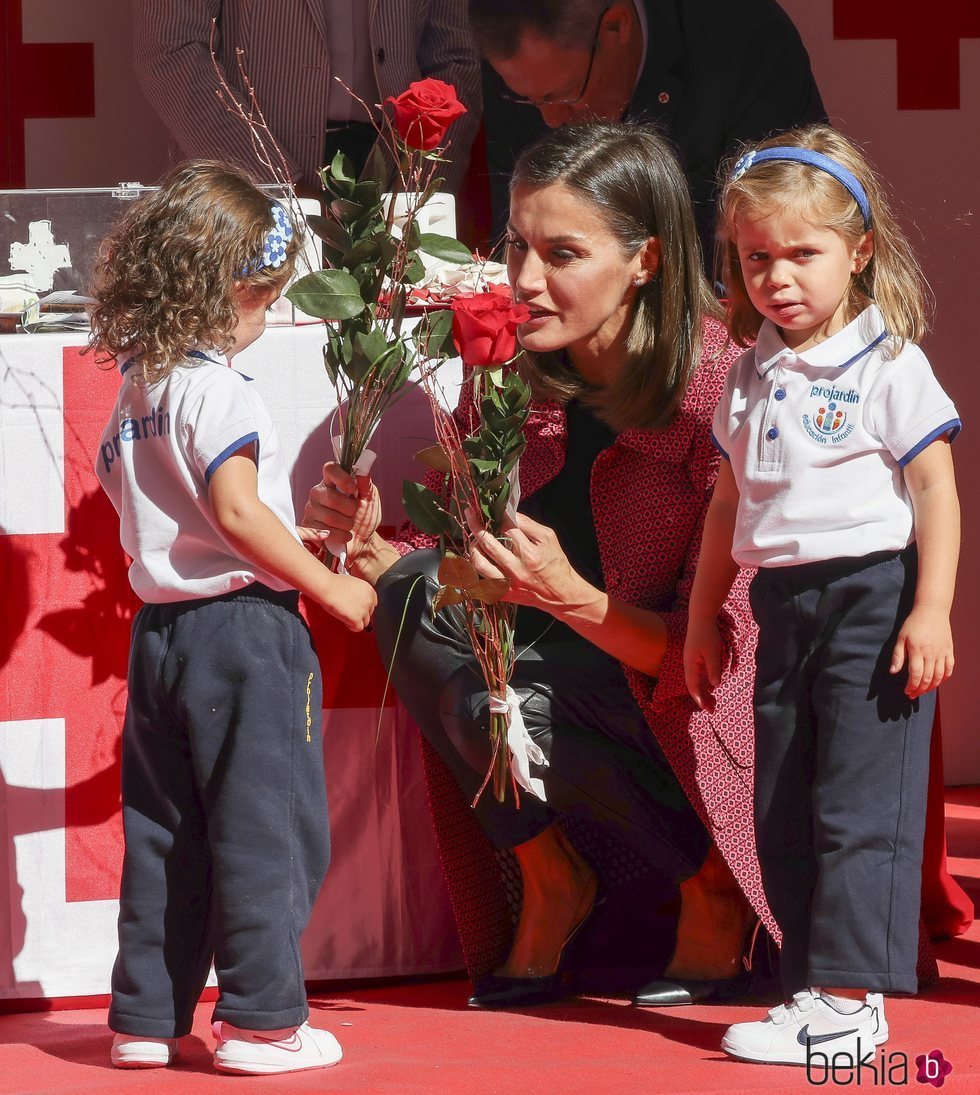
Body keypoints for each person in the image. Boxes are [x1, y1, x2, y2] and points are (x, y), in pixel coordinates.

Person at [305, 120, 770, 1008]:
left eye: (562, 252)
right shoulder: (514, 374)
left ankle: (713, 883)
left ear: (647, 260)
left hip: (693, 724)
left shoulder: (728, 396)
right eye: (516, 244)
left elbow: (734, 671)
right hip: (576, 679)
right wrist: (379, 549)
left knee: (499, 676)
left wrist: (576, 600)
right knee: (408, 596)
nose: (523, 280)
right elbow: (476, 565)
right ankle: (552, 876)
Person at [88, 162, 377, 1075]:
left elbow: (115, 488)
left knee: (164, 829)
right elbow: (241, 510)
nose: (265, 318)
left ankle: (146, 1012)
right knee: (268, 824)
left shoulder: (140, 387)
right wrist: (328, 587)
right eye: (266, 299)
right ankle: (260, 1020)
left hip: (162, 634)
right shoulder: (220, 390)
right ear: (240, 289)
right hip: (246, 630)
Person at [685, 125, 961, 1066]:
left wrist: (931, 609)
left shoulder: (890, 366)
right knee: (783, 799)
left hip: (874, 599)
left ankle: (856, 997)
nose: (780, 277)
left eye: (804, 253)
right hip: (781, 605)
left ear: (861, 250)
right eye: (758, 257)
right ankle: (811, 987)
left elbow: (936, 494)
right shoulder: (748, 372)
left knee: (859, 803)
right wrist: (700, 619)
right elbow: (727, 504)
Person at [470, 0, 825, 256]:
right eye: (530, 101)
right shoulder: (516, 67)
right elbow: (515, 227)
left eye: (565, 95)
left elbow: (789, 224)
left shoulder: (744, 39)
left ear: (618, 25)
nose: (550, 120)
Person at [133, 2, 482, 194]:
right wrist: (272, 183)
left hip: (393, 167)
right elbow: (171, 52)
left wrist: (418, 191)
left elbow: (454, 61)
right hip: (247, 168)